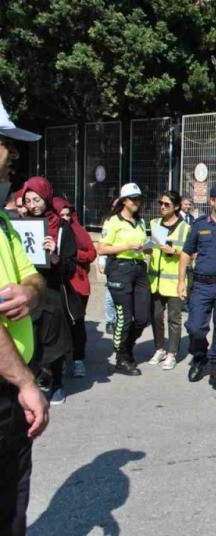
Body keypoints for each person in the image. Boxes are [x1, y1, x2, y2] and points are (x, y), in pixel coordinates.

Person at [0, 103, 50, 535]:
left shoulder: (2, 220)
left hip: (10, 389)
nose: (13, 156)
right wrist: (26, 383)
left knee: (14, 503)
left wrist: (30, 293)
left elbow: (33, 276)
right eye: (5, 144)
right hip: (8, 383)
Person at [22, 177, 84, 405]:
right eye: (28, 201)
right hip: (27, 290)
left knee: (54, 340)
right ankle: (38, 377)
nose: (32, 205)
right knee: (30, 339)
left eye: (36, 199)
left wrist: (54, 256)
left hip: (52, 291)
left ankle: (57, 383)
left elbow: (70, 266)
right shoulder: (19, 226)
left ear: (47, 198)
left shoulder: (62, 228)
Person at [180, 183, 216, 390]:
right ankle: (200, 355)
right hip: (201, 285)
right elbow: (186, 252)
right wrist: (181, 281)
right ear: (212, 201)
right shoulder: (200, 225)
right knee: (195, 327)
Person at [97, 183, 151, 377]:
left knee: (143, 318)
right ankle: (121, 358)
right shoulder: (113, 222)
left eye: (139, 199)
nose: (137, 202)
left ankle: (127, 347)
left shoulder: (141, 222)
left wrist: (148, 248)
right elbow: (102, 248)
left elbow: (143, 246)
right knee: (125, 317)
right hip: (120, 269)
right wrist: (126, 246)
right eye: (133, 199)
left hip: (139, 268)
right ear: (124, 201)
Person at [52, 197, 97, 378]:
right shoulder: (52, 231)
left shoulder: (79, 231)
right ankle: (62, 360)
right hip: (60, 283)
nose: (65, 218)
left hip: (79, 282)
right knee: (60, 325)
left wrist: (73, 253)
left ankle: (78, 359)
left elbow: (92, 253)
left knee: (77, 323)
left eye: (68, 215)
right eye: (61, 215)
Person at [147, 190, 190, 371]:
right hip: (155, 280)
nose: (162, 207)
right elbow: (153, 248)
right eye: (161, 203)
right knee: (156, 317)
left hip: (175, 281)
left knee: (174, 318)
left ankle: (172, 353)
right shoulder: (155, 223)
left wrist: (175, 251)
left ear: (177, 207)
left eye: (167, 204)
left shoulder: (185, 228)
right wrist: (146, 248)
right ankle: (159, 349)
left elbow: (192, 255)